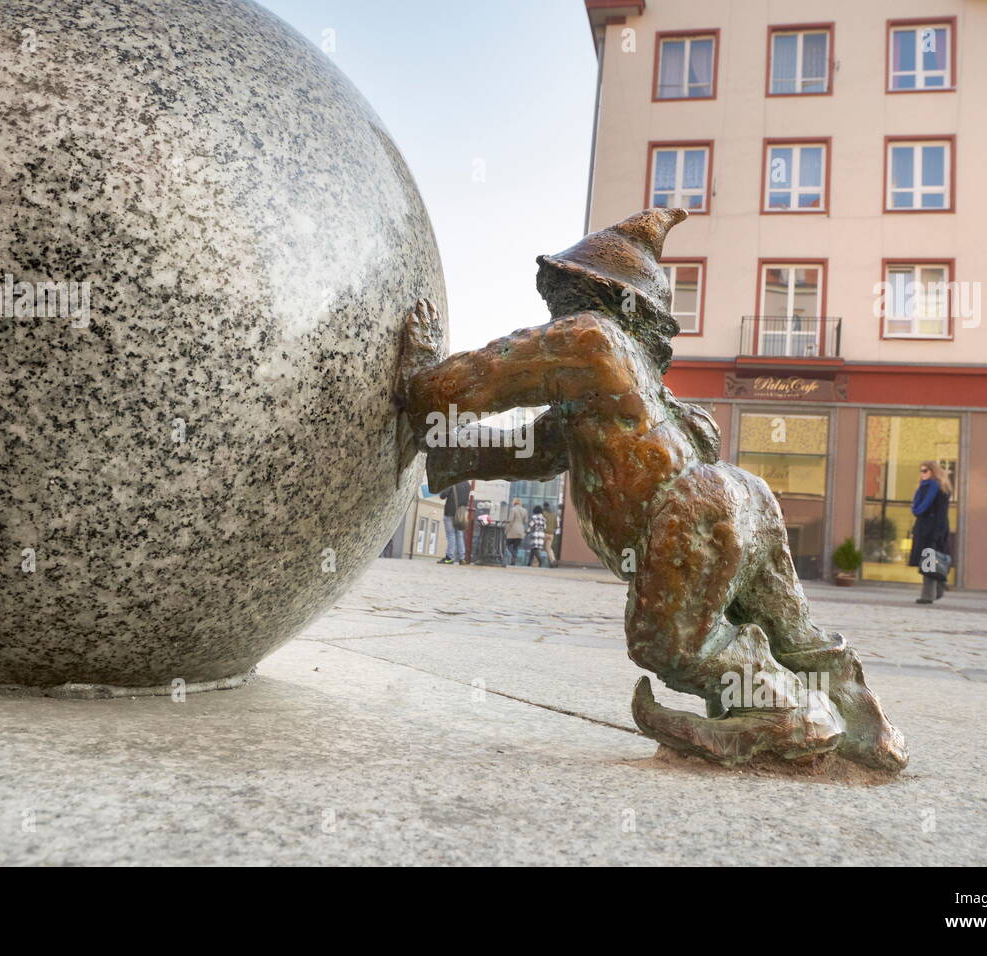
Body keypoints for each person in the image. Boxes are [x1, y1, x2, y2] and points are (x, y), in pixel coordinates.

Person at [396, 207, 906, 771]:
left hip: (693, 510)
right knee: (789, 631)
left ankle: (790, 715)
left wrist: (421, 377)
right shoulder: (618, 385)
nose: (552, 312)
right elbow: (535, 451)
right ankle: (864, 728)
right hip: (740, 497)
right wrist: (446, 456)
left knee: (670, 643)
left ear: (588, 291)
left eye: (560, 294)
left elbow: (472, 381)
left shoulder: (589, 339)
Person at [910, 461, 952, 605]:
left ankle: (928, 595)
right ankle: (938, 588)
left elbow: (941, 514)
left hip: (933, 530)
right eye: (921, 470)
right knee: (929, 563)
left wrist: (937, 534)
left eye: (925, 470)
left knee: (929, 563)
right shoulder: (924, 488)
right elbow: (918, 510)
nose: (922, 473)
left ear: (934, 472)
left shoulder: (938, 489)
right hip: (923, 529)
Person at [437, 481, 470, 564]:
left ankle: (449, 557)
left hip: (450, 513)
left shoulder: (452, 482)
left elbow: (442, 496)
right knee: (459, 535)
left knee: (451, 535)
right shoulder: (467, 484)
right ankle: (461, 558)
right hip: (460, 514)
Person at [505, 497, 527, 566]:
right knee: (516, 546)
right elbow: (526, 521)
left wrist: (506, 530)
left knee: (507, 544)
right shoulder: (525, 510)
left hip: (513, 531)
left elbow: (510, 521)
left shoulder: (513, 509)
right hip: (521, 531)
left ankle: (514, 555)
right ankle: (513, 561)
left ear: (514, 502)